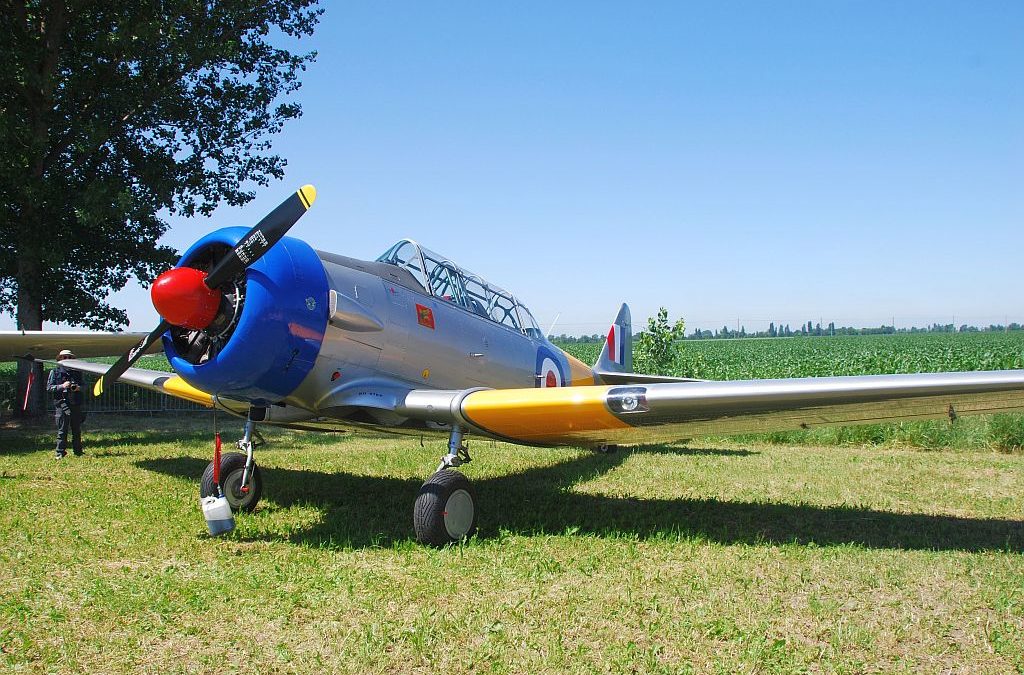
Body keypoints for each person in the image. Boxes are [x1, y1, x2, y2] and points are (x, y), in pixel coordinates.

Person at [47, 349, 85, 459]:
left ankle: (78, 452)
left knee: (76, 429)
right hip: (62, 404)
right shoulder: (54, 372)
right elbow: (49, 388)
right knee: (62, 430)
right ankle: (60, 453)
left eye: (69, 357)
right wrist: (62, 386)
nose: (66, 359)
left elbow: (85, 386)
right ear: (60, 359)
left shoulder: (78, 372)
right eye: (64, 357)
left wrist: (78, 388)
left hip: (75, 403)